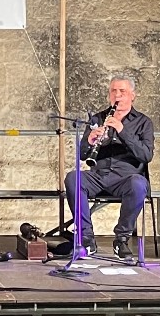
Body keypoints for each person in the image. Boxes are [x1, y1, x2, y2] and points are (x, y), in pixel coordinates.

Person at [64, 75, 154, 260]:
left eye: (122, 91)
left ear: (132, 95)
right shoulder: (98, 118)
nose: (117, 95)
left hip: (126, 178)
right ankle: (86, 238)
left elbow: (146, 155)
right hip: (99, 175)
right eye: (114, 91)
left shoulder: (144, 122)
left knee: (139, 184)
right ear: (109, 95)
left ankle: (122, 239)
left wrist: (122, 130)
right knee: (73, 178)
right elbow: (82, 155)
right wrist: (89, 141)